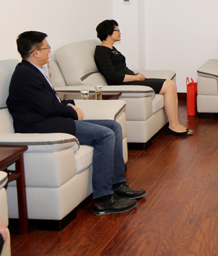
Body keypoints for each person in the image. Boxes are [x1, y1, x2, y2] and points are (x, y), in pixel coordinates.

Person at [7, 31, 146, 216]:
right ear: (35, 53)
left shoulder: (35, 71)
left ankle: (117, 185)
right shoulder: (25, 75)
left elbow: (52, 101)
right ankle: (103, 200)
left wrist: (69, 104)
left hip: (52, 120)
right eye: (47, 47)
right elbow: (47, 107)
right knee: (105, 135)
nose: (49, 51)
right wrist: (71, 111)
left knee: (113, 126)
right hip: (42, 127)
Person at [94, 20, 193, 136]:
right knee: (168, 85)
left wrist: (134, 74)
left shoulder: (112, 49)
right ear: (108, 33)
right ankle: (173, 126)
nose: (120, 33)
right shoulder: (101, 51)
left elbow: (121, 68)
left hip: (130, 80)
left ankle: (174, 123)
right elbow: (112, 76)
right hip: (123, 84)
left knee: (170, 83)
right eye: (117, 30)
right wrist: (136, 78)